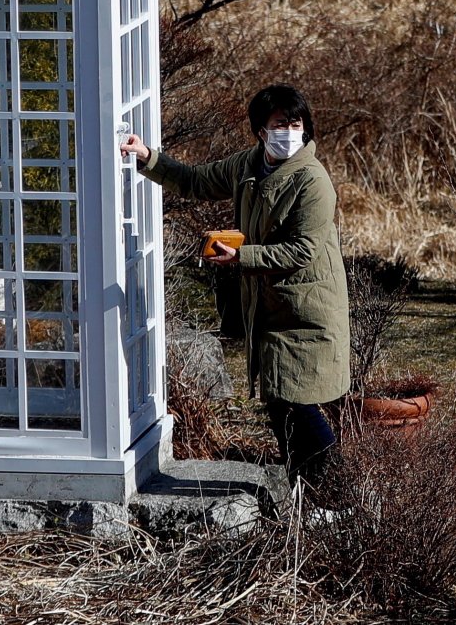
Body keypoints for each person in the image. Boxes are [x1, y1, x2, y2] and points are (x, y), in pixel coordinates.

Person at [120, 84, 349, 487]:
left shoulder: (313, 181)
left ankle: (334, 490)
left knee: (298, 405)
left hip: (306, 310)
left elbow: (303, 251)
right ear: (260, 130)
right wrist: (147, 157)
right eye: (280, 123)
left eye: (295, 123)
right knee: (282, 405)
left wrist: (241, 257)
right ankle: (311, 491)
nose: (289, 131)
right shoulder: (249, 165)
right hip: (272, 306)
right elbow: (195, 181)